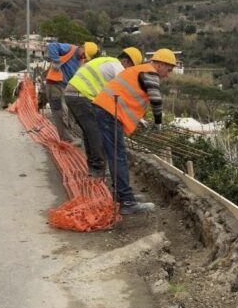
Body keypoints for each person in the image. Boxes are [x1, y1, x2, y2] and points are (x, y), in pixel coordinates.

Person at [93, 48, 177, 215]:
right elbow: (156, 98)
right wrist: (158, 122)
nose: (167, 74)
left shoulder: (139, 70)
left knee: (116, 155)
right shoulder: (149, 72)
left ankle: (123, 195)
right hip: (109, 112)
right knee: (119, 156)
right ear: (160, 64)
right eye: (168, 69)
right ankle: (127, 202)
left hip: (106, 110)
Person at [64, 47, 143, 177]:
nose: (130, 72)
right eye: (131, 67)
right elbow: (125, 94)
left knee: (89, 132)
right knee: (97, 133)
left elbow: (113, 96)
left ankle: (93, 167)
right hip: (82, 96)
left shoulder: (105, 61)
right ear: (126, 61)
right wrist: (136, 117)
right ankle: (97, 169)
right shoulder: (118, 68)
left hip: (72, 95)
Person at [45, 40, 98, 141]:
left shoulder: (80, 60)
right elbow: (52, 46)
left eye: (85, 57)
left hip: (65, 87)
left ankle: (67, 136)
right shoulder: (70, 48)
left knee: (68, 112)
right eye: (83, 54)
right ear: (82, 47)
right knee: (59, 111)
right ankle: (65, 138)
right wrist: (56, 61)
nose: (83, 57)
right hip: (54, 84)